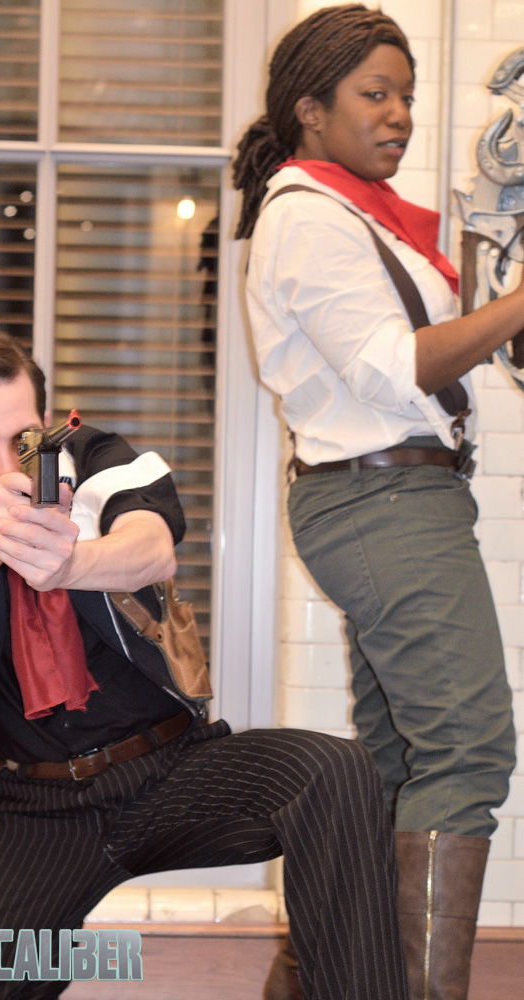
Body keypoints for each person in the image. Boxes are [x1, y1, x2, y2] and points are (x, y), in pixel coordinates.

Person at [0, 329, 409, 999]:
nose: (6, 464)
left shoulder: (96, 458)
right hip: (38, 811)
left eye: (22, 438)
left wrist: (69, 562)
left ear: (46, 422)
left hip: (171, 772)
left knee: (333, 770)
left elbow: (151, 546)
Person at [233, 5, 519, 1000]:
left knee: (396, 769)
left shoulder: (349, 213)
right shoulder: (308, 216)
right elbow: (396, 369)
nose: (398, 114)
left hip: (388, 498)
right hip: (381, 500)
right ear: (309, 109)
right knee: (466, 749)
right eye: (374, 94)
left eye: (405, 94)